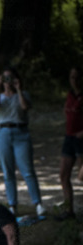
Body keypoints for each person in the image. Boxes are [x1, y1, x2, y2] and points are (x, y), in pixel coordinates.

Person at [0, 67, 44, 217]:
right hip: (2, 134)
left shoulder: (23, 95)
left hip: (21, 133)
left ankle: (38, 203)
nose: (8, 82)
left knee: (27, 170)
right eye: (5, 78)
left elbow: (25, 106)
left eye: (10, 78)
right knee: (8, 172)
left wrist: (18, 90)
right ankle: (12, 205)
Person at [57, 67, 83, 221]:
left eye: (77, 77)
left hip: (81, 139)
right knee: (63, 174)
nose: (74, 80)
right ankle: (68, 210)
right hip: (69, 138)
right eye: (72, 77)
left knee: (81, 176)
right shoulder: (70, 95)